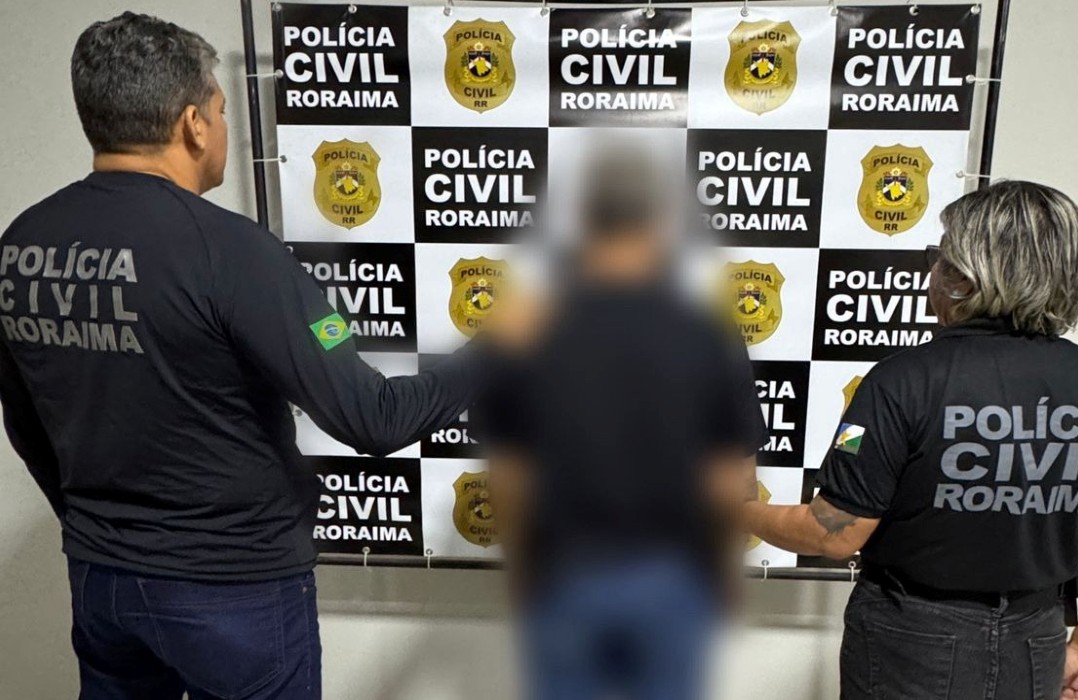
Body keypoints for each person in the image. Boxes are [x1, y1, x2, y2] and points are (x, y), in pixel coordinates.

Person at [0, 13, 506, 699]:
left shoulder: (23, 243)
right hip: (234, 590)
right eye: (219, 109)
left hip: (103, 584)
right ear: (192, 124)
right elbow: (376, 417)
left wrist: (101, 530)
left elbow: (24, 420)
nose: (221, 126)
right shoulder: (233, 253)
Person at [744, 180, 1078, 700]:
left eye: (938, 258)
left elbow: (834, 532)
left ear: (964, 277)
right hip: (1039, 635)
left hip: (914, 635)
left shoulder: (903, 381)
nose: (931, 273)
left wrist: (736, 510)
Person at [474, 145, 767, 700]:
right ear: (659, 223)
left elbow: (509, 474)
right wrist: (724, 573)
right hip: (672, 577)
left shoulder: (526, 327)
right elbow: (730, 478)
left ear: (586, 221)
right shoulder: (707, 333)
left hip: (565, 572)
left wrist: (523, 574)